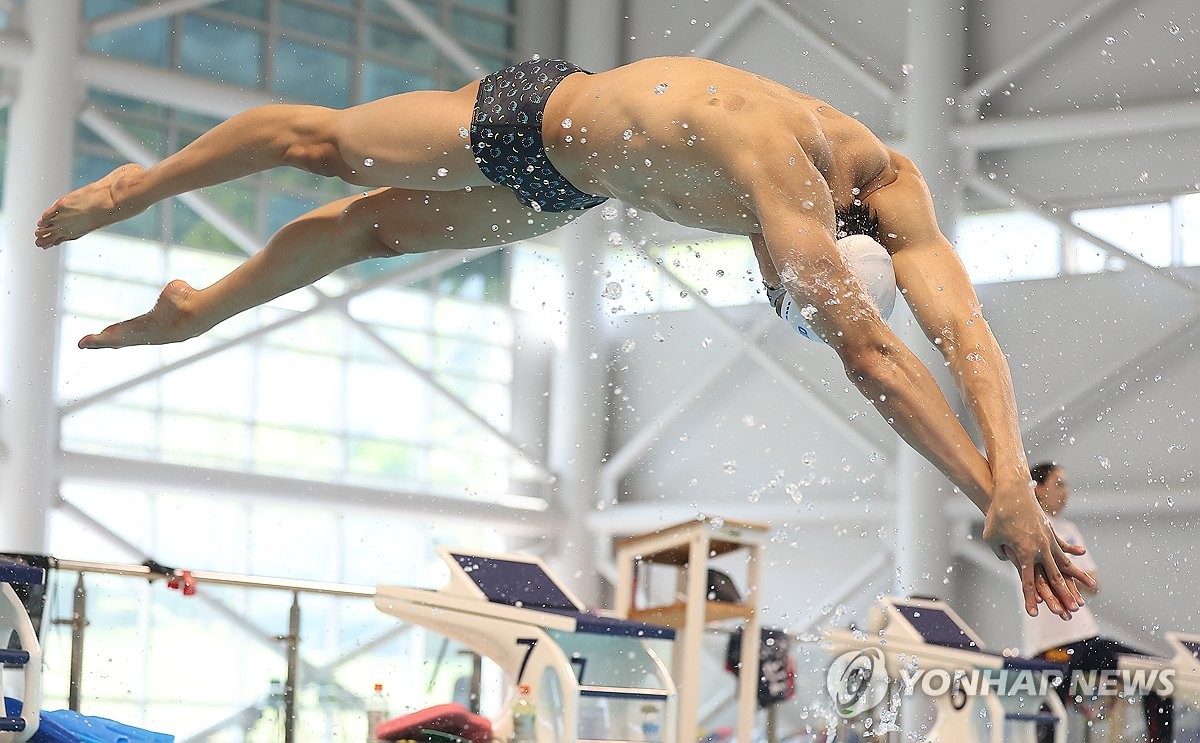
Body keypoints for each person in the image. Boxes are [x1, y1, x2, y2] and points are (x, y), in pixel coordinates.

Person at [34, 56, 1093, 617]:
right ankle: (137, 188)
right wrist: (988, 496)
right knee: (323, 148)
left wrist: (1008, 479)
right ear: (807, 250)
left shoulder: (894, 192)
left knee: (369, 233)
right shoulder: (782, 173)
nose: (770, 279)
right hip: (545, 118)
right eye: (786, 289)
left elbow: (964, 332)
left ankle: (198, 309)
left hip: (576, 183)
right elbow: (874, 357)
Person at [1024, 462, 1173, 743]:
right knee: (1051, 717)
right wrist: (1068, 571)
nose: (1065, 492)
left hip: (1085, 638)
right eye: (1058, 484)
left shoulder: (1068, 529)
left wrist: (1061, 570)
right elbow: (1057, 572)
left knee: (1157, 674)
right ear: (1038, 489)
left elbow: (1094, 584)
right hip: (1050, 644)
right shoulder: (1025, 526)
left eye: (1066, 485)